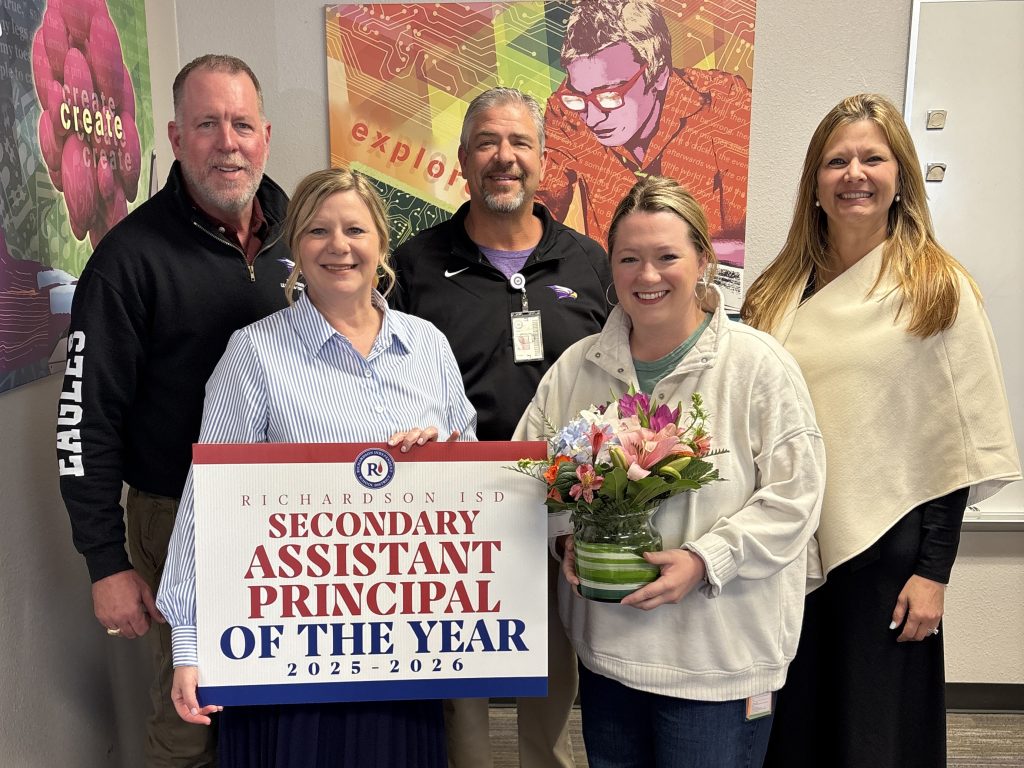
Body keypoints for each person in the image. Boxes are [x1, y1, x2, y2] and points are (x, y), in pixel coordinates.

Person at [156, 167, 477, 766]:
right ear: (295, 248)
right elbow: (211, 499)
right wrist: (189, 642)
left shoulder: (428, 345)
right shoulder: (253, 354)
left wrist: (440, 451)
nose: (338, 246)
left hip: (401, 650)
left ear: (380, 241)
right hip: (283, 653)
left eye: (355, 229)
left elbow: (471, 474)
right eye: (317, 231)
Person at [741, 93, 1022, 768]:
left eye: (873, 157)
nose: (854, 173)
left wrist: (934, 572)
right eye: (836, 161)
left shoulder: (936, 286)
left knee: (874, 739)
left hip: (887, 562)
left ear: (901, 177)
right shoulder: (776, 289)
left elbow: (954, 444)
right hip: (784, 553)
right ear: (813, 183)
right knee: (793, 733)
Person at [515, 175, 825, 768]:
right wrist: (564, 541)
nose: (647, 276)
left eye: (667, 257)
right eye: (629, 258)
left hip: (719, 661)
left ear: (704, 260)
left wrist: (708, 559)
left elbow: (796, 499)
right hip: (609, 653)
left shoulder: (759, 368)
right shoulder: (578, 367)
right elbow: (529, 476)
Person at [56, 54, 290, 766]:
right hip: (178, 515)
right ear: (177, 136)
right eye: (207, 124)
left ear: (266, 136)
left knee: (287, 699)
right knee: (194, 710)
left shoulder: (304, 240)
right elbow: (83, 420)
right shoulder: (128, 260)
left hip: (296, 511)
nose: (228, 142)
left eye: (242, 124)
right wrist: (106, 563)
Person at [390, 87, 609, 767]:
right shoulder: (414, 265)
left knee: (555, 671)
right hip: (455, 516)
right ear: (462, 159)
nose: (503, 157)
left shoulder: (591, 263)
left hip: (564, 509)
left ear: (543, 160)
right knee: (461, 688)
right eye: (487, 142)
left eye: (518, 143)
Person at [537, 0, 750, 259]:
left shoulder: (728, 104)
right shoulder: (567, 110)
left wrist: (674, 253)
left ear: (659, 75)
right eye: (579, 98)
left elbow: (762, 238)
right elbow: (537, 208)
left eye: (609, 96)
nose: (591, 117)